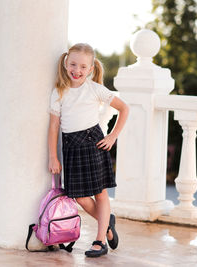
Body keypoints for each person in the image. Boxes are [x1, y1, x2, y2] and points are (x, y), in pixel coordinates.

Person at [48, 43, 129, 257]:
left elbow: (124, 108)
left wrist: (112, 136)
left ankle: (99, 241)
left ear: (91, 69)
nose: (77, 70)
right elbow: (54, 126)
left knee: (100, 195)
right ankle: (107, 223)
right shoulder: (59, 92)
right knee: (81, 198)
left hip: (94, 143)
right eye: (73, 64)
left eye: (83, 66)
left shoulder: (94, 89)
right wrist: (53, 157)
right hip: (72, 148)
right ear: (66, 63)